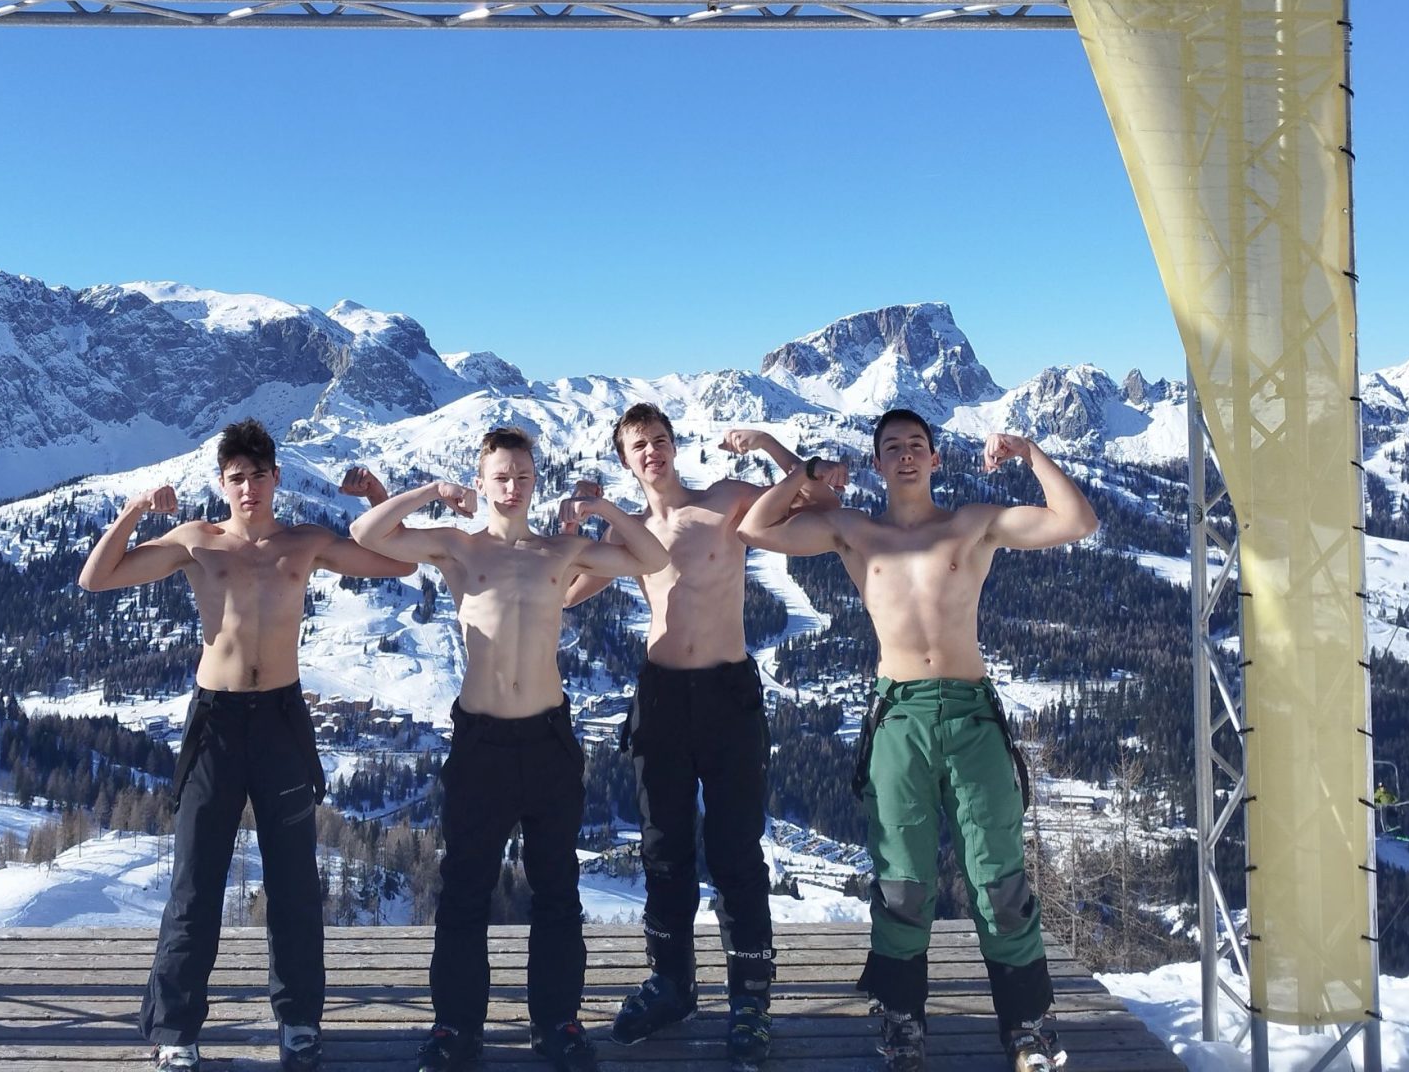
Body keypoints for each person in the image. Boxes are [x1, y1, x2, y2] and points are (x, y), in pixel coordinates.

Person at [739, 409, 1098, 1072]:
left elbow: (1077, 521)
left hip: (971, 715)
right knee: (902, 883)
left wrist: (1028, 451)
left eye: (916, 446)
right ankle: (903, 1022)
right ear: (877, 463)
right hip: (899, 716)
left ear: (935, 459)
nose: (905, 455)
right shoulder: (856, 532)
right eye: (892, 447)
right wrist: (805, 471)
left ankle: (1027, 1027)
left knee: (1000, 882)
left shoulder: (972, 523)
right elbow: (755, 527)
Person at [79, 420, 412, 1072]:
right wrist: (137, 507)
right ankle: (175, 1032)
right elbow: (97, 577)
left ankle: (299, 1023)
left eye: (259, 475)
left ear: (276, 477)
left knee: (294, 884)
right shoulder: (198, 541)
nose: (249, 487)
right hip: (217, 725)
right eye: (237, 478)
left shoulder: (304, 543)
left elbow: (400, 562)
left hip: (282, 720)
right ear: (222, 483)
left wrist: (377, 494)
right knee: (195, 883)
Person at [351, 426, 675, 1072]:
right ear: (481, 482)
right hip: (482, 742)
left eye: (523, 475)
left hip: (548, 738)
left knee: (557, 890)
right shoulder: (459, 547)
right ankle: (456, 1028)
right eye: (500, 475)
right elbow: (367, 533)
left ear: (535, 481)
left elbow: (650, 557)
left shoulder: (560, 550)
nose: (512, 485)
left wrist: (601, 508)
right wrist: (432, 490)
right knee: (465, 890)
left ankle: (557, 1023)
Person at [560, 407, 844, 1068]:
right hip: (661, 699)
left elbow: (822, 501)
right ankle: (672, 984)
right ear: (626, 460)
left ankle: (750, 999)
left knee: (736, 848)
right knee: (663, 849)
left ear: (674, 446)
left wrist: (770, 441)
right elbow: (566, 592)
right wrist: (568, 528)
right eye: (638, 445)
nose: (652, 452)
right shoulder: (630, 533)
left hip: (726, 693)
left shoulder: (724, 500)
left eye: (660, 440)